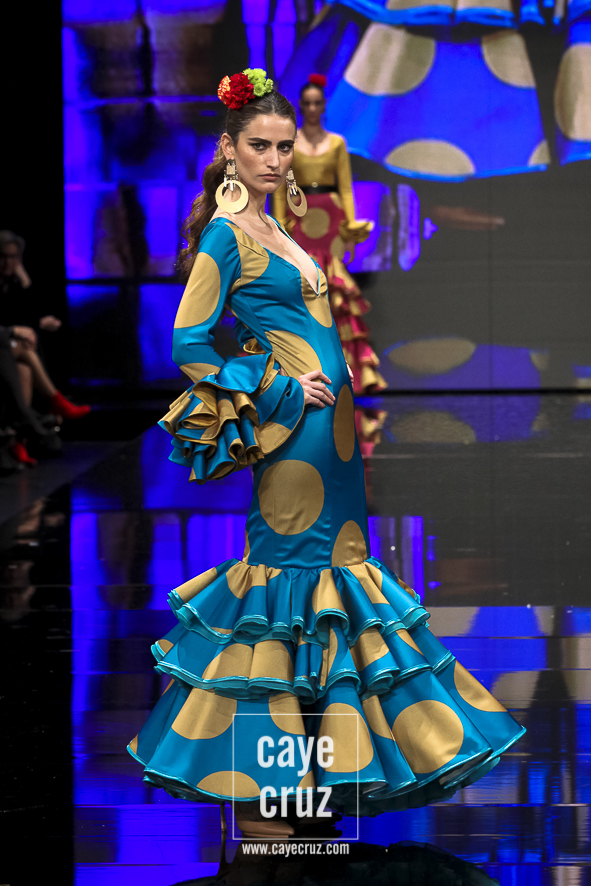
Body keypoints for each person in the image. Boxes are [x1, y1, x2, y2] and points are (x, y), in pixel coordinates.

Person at [127, 69, 524, 839]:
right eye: (259, 146)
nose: (275, 160)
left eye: (283, 147)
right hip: (295, 433)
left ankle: (313, 774)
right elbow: (188, 342)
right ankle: (261, 789)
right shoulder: (226, 234)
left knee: (331, 592)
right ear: (229, 150)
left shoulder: (276, 227)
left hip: (334, 441)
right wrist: (275, 386)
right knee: (287, 590)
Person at [272, 74, 385, 396]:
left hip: (331, 220)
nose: (312, 108)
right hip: (300, 216)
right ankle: (302, 368)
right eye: (307, 103)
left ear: (324, 106)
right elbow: (280, 186)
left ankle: (346, 371)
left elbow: (346, 187)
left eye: (317, 103)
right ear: (301, 106)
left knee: (333, 288)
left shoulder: (337, 143)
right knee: (303, 288)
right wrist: (277, 225)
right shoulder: (289, 143)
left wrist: (350, 226)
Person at [0, 231, 90, 457]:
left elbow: (24, 317)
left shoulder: (11, 285)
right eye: (3, 256)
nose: (8, 262)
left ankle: (18, 440)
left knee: (24, 369)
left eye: (13, 257)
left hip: (6, 349)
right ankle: (54, 400)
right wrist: (17, 330)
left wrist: (25, 282)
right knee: (25, 348)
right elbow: (12, 326)